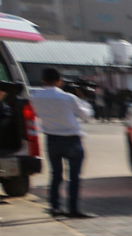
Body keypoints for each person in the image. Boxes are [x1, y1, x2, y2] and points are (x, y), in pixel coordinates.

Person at [28, 68, 95, 219]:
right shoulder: (69, 98)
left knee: (56, 175)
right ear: (60, 81)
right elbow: (86, 115)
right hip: (72, 139)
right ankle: (73, 209)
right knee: (74, 177)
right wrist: (83, 99)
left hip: (52, 138)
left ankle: (55, 207)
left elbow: (37, 113)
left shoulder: (36, 97)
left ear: (43, 80)